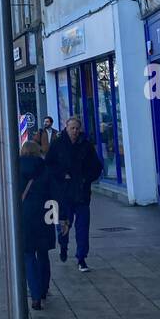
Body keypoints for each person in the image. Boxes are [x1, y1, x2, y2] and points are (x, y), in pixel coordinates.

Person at [45, 114, 103, 272]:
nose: (75, 131)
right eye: (72, 128)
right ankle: (63, 246)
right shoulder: (57, 144)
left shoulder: (86, 146)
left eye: (77, 128)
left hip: (82, 194)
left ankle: (81, 258)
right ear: (66, 128)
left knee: (83, 227)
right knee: (64, 226)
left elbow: (97, 167)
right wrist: (61, 174)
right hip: (63, 195)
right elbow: (48, 165)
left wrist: (87, 179)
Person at [20, 140, 56, 310]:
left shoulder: (15, 169)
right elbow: (54, 194)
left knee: (28, 255)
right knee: (43, 253)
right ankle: (43, 290)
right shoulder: (46, 169)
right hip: (45, 214)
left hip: (25, 216)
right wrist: (57, 219)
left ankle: (34, 295)